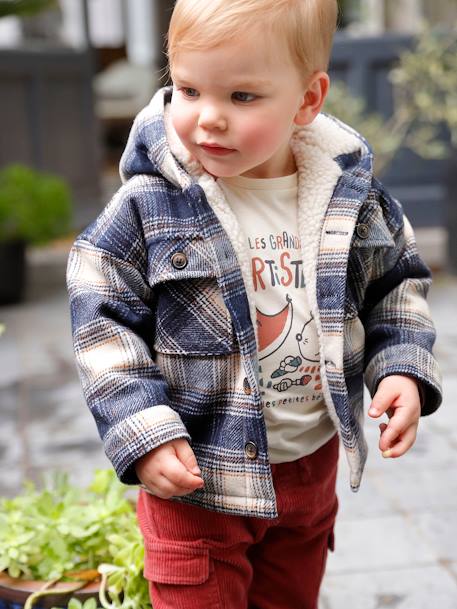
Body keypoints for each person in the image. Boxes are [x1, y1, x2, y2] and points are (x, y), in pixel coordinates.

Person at [66, 0, 443, 607]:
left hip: (307, 475)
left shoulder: (349, 198)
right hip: (199, 481)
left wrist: (399, 366)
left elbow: (396, 285)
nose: (208, 119)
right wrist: (144, 430)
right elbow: (102, 319)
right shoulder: (152, 204)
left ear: (307, 100)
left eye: (242, 97)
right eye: (188, 89)